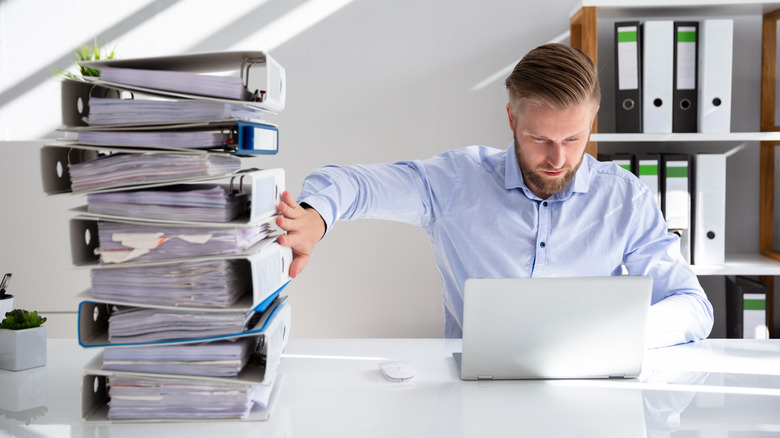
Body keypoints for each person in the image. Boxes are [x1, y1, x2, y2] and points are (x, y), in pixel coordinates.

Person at [275, 43, 713, 349]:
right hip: (474, 398)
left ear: (592, 122)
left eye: (575, 139)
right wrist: (316, 216)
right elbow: (353, 183)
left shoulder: (625, 198)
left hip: (591, 396)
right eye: (540, 138)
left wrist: (622, 333)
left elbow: (693, 306)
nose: (558, 159)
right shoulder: (456, 181)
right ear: (511, 118)